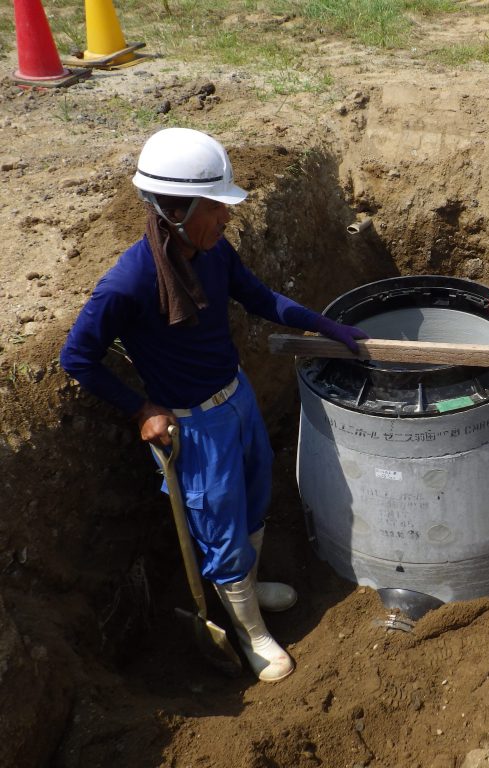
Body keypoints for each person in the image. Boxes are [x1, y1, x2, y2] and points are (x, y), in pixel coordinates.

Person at [60, 128, 368, 682]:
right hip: (192, 428)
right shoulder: (127, 284)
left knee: (254, 494)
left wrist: (321, 323)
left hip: (237, 397)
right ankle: (250, 633)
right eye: (216, 208)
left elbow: (258, 297)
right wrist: (141, 408)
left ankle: (246, 588)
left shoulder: (212, 250)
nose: (227, 219)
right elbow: (77, 358)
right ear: (175, 210)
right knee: (219, 525)